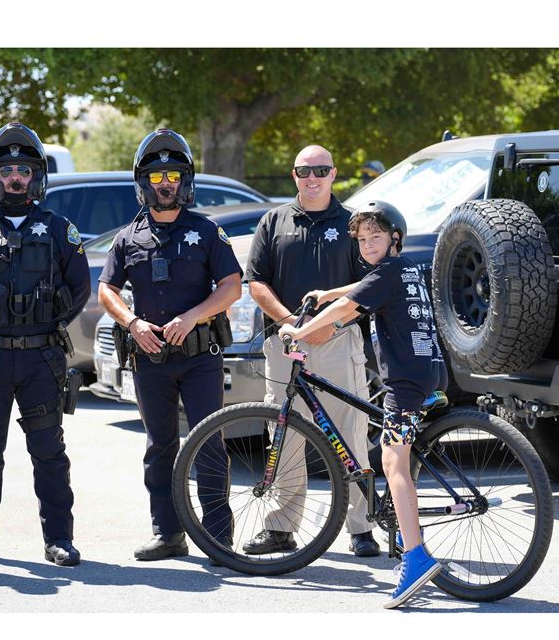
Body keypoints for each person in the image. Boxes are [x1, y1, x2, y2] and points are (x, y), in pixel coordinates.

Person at [278, 203, 449, 609]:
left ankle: (416, 558)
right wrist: (328, 293)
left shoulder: (385, 273)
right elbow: (360, 290)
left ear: (394, 238)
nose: (368, 244)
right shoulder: (403, 268)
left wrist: (299, 331)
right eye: (362, 239)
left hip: (405, 384)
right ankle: (406, 529)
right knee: (402, 455)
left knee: (393, 464)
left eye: (376, 237)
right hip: (431, 371)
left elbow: (346, 309)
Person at [0, 125, 93, 567]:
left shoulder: (59, 229)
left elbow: (79, 289)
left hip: (41, 360)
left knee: (49, 452)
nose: (15, 178)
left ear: (36, 176)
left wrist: (45, 323)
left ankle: (59, 539)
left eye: (23, 170)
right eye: (7, 171)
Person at [100, 128, 246, 561]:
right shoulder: (127, 238)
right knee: (160, 447)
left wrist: (194, 315)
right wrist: (132, 322)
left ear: (185, 181)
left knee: (209, 443)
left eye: (173, 176)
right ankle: (167, 534)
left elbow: (232, 287)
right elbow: (106, 289)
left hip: (201, 358)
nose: (165, 184)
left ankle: (218, 537)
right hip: (150, 358)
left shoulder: (206, 231)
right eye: (157, 177)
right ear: (143, 182)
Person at [243, 144, 381, 559]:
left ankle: (362, 527)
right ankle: (282, 528)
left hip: (338, 342)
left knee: (352, 435)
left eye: (321, 170)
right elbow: (257, 282)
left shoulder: (353, 223)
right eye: (304, 171)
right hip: (285, 342)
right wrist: (292, 323)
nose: (313, 178)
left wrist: (330, 326)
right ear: (294, 175)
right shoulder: (274, 221)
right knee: (284, 435)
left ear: (334, 173)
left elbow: (367, 286)